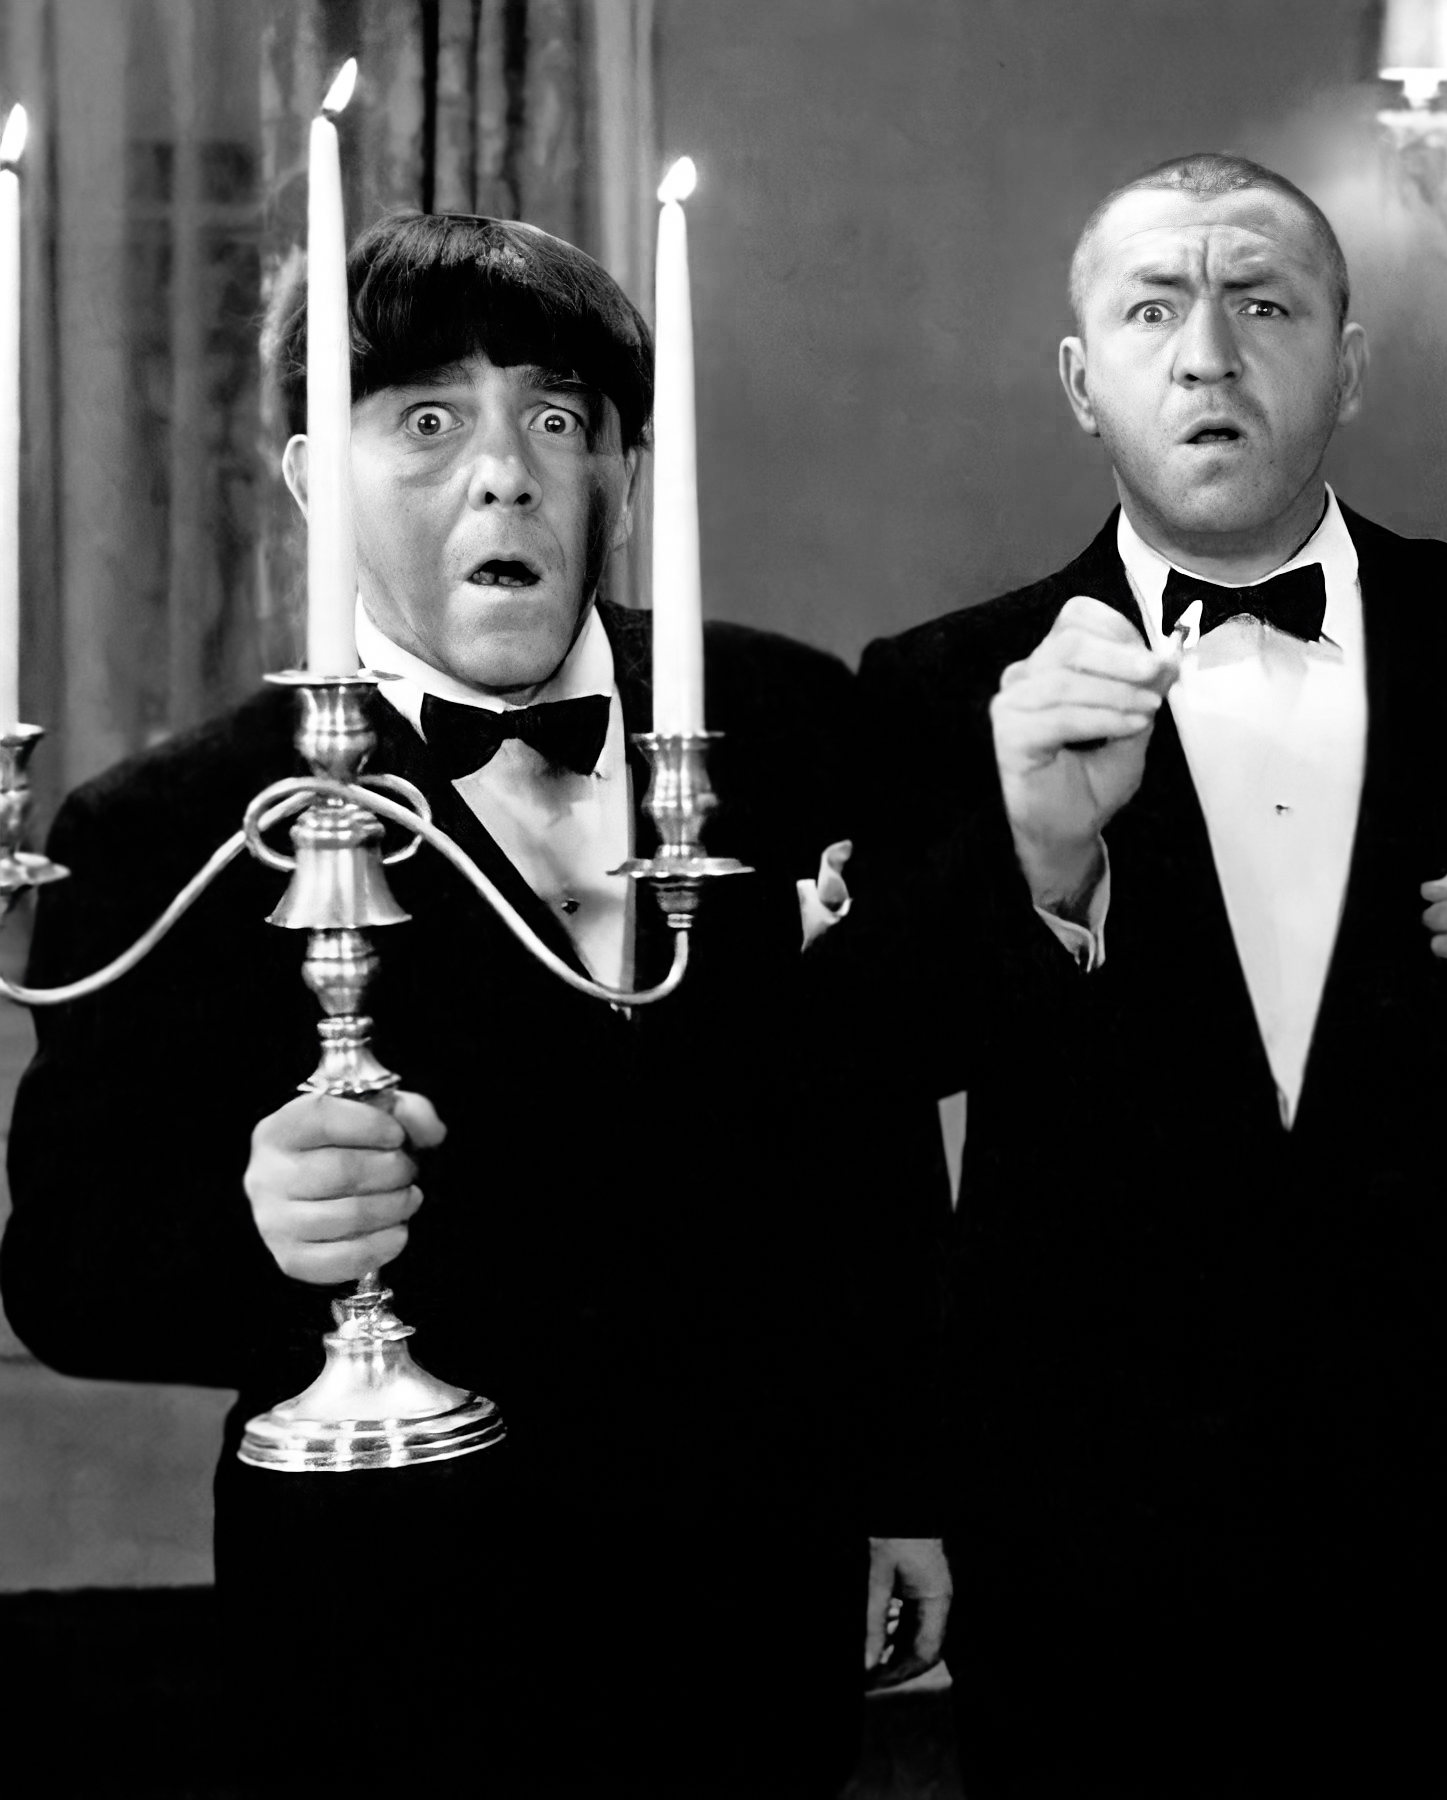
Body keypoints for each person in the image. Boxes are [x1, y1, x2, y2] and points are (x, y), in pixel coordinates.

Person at [0, 213, 953, 1795]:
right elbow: (67, 1280)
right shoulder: (166, 828)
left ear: (623, 478)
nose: (505, 472)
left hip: (749, 1592)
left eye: (558, 421)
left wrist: (905, 1486)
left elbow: (874, 1146)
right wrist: (260, 1224)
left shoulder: (789, 721)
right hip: (389, 1627)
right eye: (429, 420)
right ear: (316, 480)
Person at [823, 153, 1447, 1793]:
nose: (1208, 354)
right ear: (1084, 382)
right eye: (1155, 311)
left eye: (1263, 305)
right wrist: (1038, 856)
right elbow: (869, 1069)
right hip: (1092, 1520)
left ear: (1349, 363)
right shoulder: (937, 683)